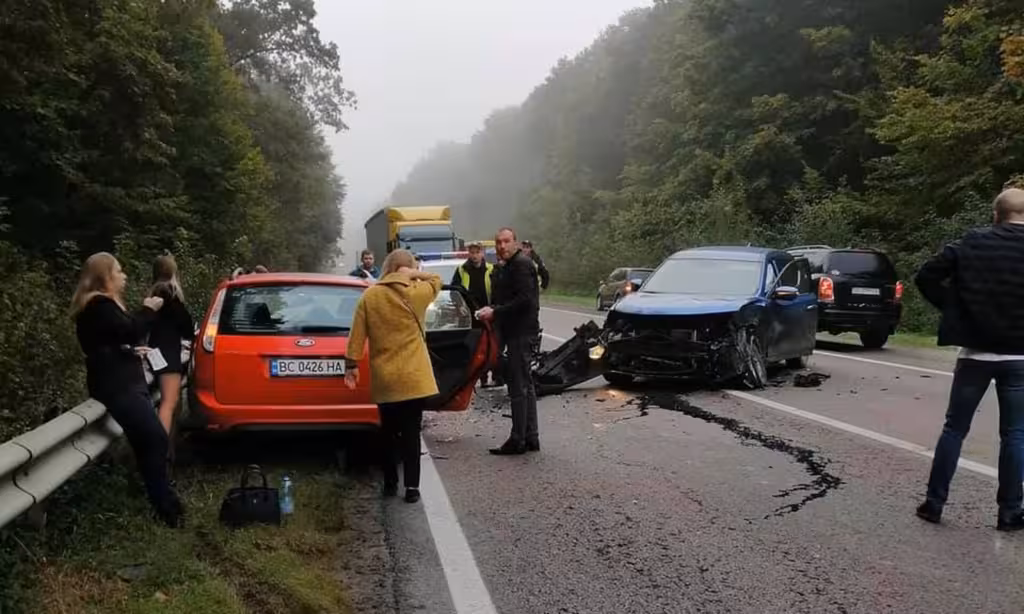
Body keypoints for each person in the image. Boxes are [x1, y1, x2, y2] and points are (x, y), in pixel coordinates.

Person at [914, 187, 1024, 532]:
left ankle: (934, 504)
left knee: (954, 429)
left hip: (975, 353)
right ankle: (1010, 512)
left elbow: (926, 275)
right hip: (1020, 357)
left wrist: (954, 307)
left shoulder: (971, 243)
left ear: (996, 215)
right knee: (1015, 434)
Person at [72, 252, 184, 528]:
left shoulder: (101, 305)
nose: (124, 276)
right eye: (118, 271)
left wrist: (129, 351)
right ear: (105, 277)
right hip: (118, 385)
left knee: (150, 441)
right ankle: (165, 506)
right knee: (155, 439)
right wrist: (148, 309)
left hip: (123, 381)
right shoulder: (98, 304)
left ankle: (165, 503)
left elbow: (110, 341)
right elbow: (130, 329)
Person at [344, 249, 442, 503]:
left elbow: (357, 335)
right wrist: (414, 274)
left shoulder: (370, 296)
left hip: (385, 377)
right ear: (407, 268)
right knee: (411, 433)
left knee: (387, 432)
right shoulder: (417, 293)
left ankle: (389, 484)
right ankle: (412, 488)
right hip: (414, 377)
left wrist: (351, 365)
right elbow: (436, 280)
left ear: (386, 266)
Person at [476, 228, 541, 455]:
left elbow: (525, 300)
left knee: (518, 386)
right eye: (498, 242)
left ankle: (518, 440)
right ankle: (531, 436)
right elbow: (508, 298)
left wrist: (495, 312)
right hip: (517, 331)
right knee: (525, 384)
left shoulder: (521, 264)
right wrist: (493, 308)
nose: (502, 246)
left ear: (515, 243)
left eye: (506, 241)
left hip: (521, 332)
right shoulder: (508, 266)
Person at [148, 254, 194, 434]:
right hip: (168, 353)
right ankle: (161, 444)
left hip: (155, 351)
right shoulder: (171, 296)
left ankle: (161, 442)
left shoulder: (154, 295)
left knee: (163, 402)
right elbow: (186, 327)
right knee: (168, 403)